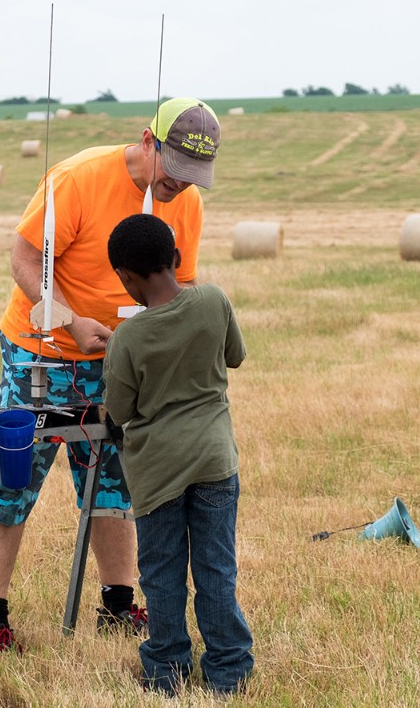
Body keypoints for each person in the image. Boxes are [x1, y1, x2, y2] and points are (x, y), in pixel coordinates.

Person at [0, 98, 222, 653]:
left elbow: (176, 285)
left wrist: (156, 346)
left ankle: (116, 605)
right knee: (12, 481)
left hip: (122, 364)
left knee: (115, 483)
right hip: (43, 353)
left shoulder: (188, 204)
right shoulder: (78, 179)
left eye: (193, 176)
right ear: (147, 140)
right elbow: (21, 259)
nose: (180, 185)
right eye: (174, 169)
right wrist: (69, 321)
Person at [102, 213, 254, 696]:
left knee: (162, 575)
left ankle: (166, 670)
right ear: (176, 257)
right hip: (214, 461)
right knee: (216, 569)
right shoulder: (213, 300)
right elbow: (236, 355)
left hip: (158, 472)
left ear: (125, 276)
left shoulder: (127, 338)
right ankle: (229, 669)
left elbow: (119, 410)